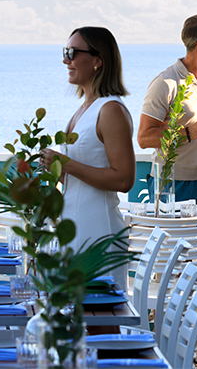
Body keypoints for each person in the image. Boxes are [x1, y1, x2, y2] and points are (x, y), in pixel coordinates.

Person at [43, 27, 135, 293]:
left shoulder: (111, 110)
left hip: (98, 231)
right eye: (65, 52)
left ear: (98, 60)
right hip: (75, 227)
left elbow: (124, 178)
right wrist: (54, 169)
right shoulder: (83, 110)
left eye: (72, 53)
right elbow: (78, 178)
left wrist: (66, 163)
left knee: (101, 319)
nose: (66, 60)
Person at [138, 13, 197, 216]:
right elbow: (143, 138)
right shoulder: (166, 83)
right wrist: (188, 132)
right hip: (172, 182)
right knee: (173, 246)